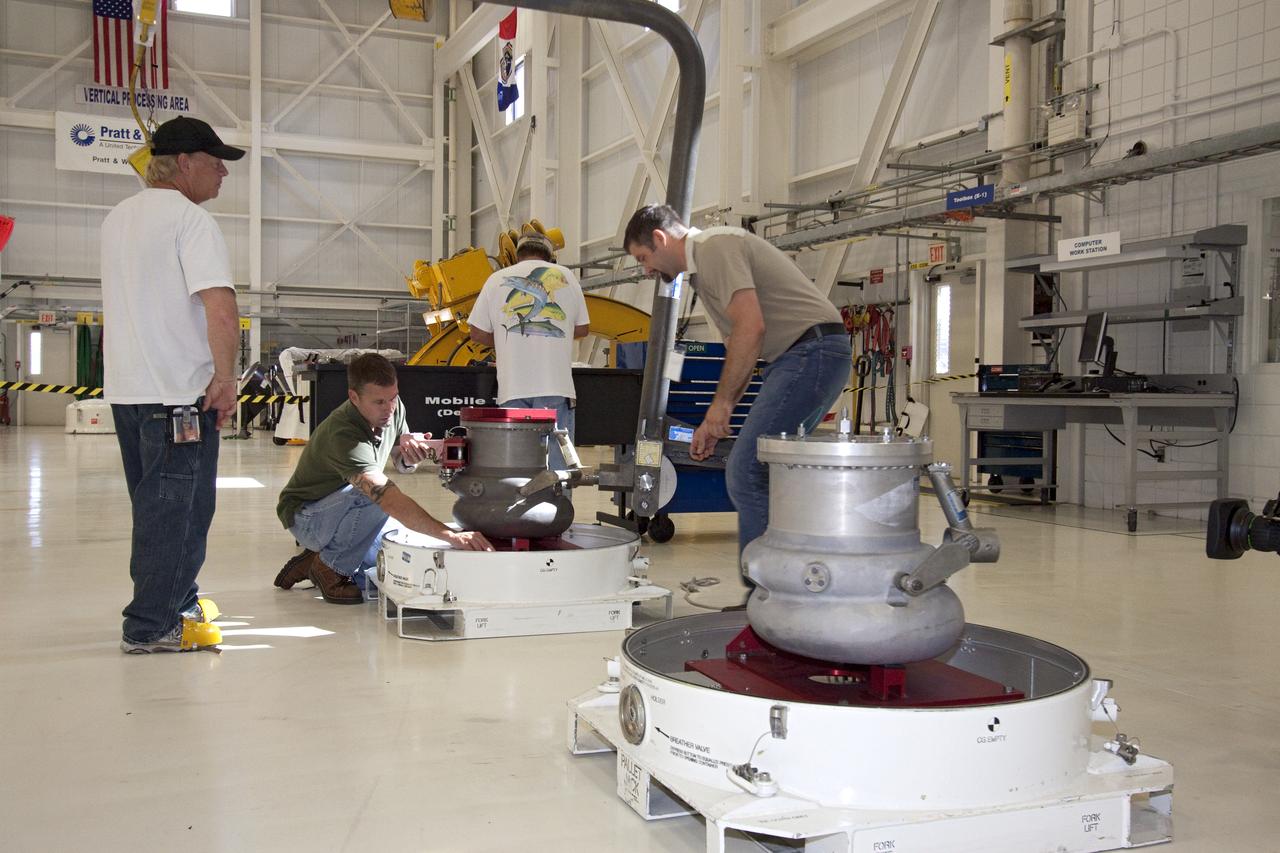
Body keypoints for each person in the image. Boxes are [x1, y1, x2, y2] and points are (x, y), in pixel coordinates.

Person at [623, 203, 852, 556]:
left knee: (745, 472)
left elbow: (751, 327)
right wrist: (716, 420)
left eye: (642, 258)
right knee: (766, 470)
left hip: (810, 352)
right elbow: (740, 348)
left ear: (659, 238)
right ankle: (784, 581)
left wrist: (722, 405)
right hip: (801, 357)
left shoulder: (715, 248)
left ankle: (764, 590)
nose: (646, 270)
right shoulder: (702, 272)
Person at [103, 116, 244, 653]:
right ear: (183, 163)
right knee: (181, 509)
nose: (222, 177)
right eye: (216, 165)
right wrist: (226, 378)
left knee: (155, 505)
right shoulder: (190, 221)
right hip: (178, 397)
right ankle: (152, 625)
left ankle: (176, 600)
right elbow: (220, 309)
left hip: (129, 392)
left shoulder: (117, 218)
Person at [275, 353, 493, 604]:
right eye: (379, 401)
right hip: (306, 516)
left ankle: (317, 560)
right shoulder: (344, 434)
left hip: (341, 509)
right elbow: (385, 498)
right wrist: (451, 536)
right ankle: (330, 569)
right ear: (354, 397)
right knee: (371, 495)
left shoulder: (392, 408)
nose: (389, 408)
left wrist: (411, 454)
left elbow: (401, 460)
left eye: (393, 397)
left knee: (389, 556)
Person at [468, 229, 590, 471]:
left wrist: (509, 340)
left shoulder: (496, 279)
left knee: (517, 468)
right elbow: (583, 328)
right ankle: (559, 508)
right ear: (549, 256)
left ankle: (519, 508)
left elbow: (477, 332)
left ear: (517, 255)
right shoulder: (566, 276)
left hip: (513, 389)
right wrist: (553, 334)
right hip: (555, 388)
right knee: (559, 469)